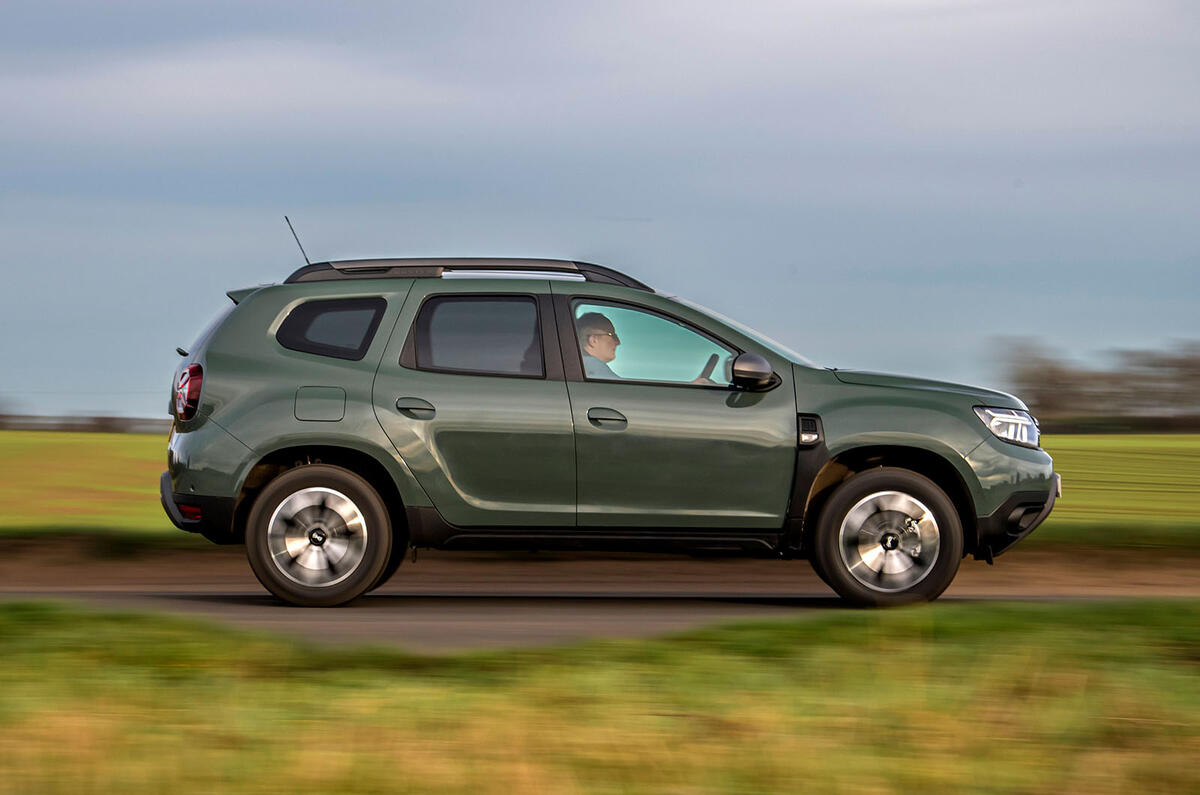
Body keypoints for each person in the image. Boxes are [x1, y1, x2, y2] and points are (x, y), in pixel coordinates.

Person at [576, 312, 621, 379]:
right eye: (612, 335)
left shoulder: (580, 366)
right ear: (593, 340)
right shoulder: (594, 368)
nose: (618, 342)